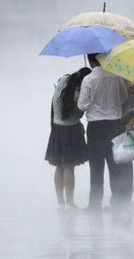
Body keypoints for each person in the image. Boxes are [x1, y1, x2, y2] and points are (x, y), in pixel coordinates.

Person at [77, 54, 134, 212]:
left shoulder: (88, 79)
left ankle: (95, 205)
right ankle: (117, 203)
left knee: (96, 168)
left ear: (90, 60)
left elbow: (82, 105)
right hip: (115, 126)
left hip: (95, 128)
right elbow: (125, 100)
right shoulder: (116, 77)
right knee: (115, 165)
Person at [45, 67, 92, 211]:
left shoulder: (63, 81)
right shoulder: (78, 93)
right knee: (69, 167)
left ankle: (60, 202)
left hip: (57, 128)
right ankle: (70, 202)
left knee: (59, 166)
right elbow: (78, 115)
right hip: (71, 130)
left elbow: (53, 104)